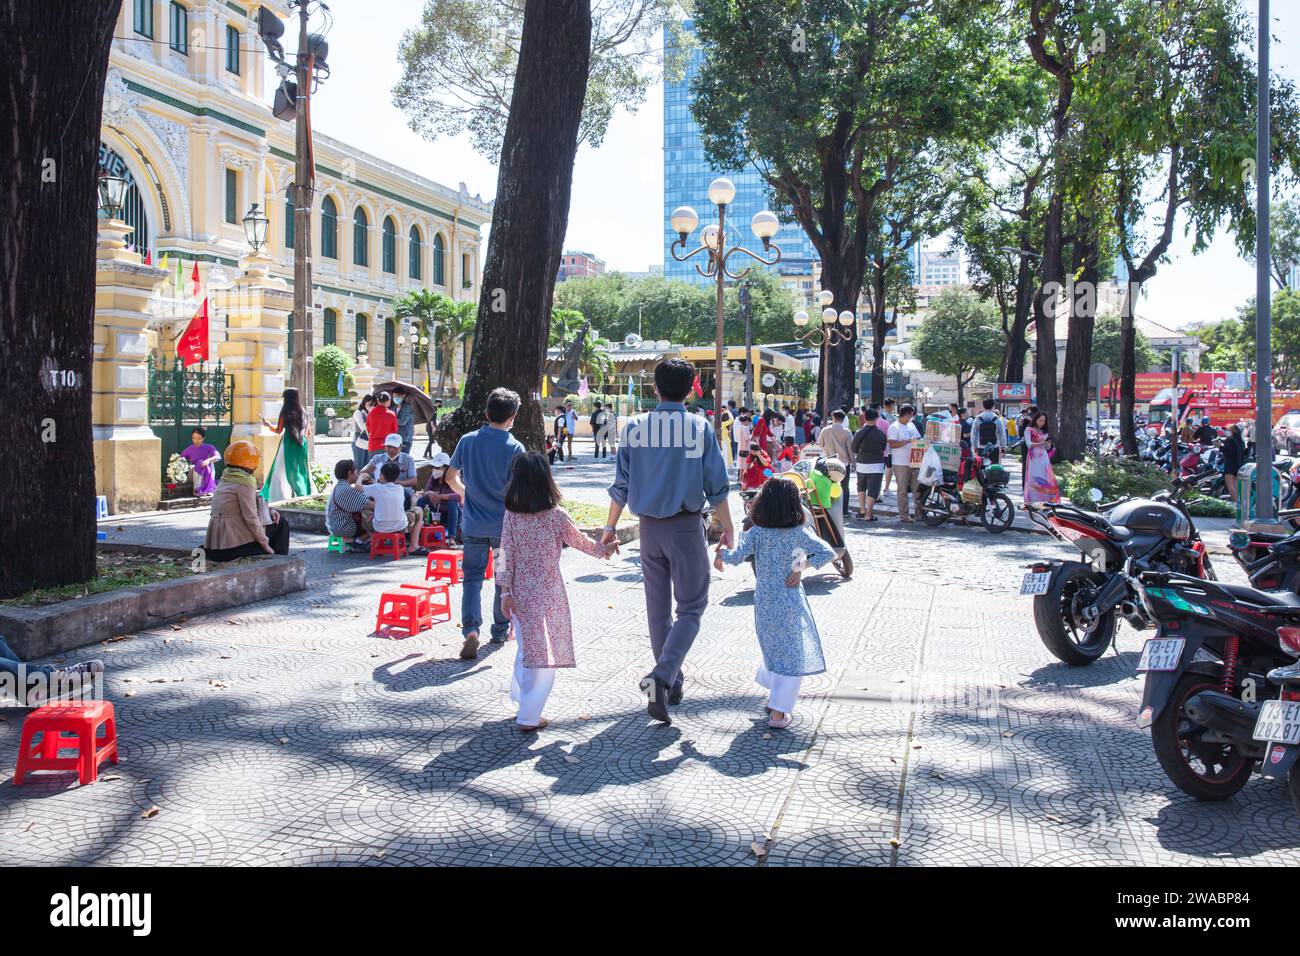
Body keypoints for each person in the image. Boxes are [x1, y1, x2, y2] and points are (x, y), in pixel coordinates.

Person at [604, 358, 733, 724]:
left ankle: (671, 681)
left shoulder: (634, 428)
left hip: (648, 530)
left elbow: (621, 486)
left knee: (657, 612)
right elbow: (717, 486)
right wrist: (729, 528)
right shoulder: (698, 427)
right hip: (685, 527)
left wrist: (610, 528)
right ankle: (661, 677)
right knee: (690, 609)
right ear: (692, 386)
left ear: (655, 388)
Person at [499, 452, 613, 731]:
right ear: (546, 481)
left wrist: (504, 592)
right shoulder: (556, 517)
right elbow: (583, 543)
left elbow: (504, 555)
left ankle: (522, 699)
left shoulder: (512, 516)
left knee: (528, 649)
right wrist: (605, 549)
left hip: (519, 593)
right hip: (548, 594)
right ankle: (529, 714)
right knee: (542, 657)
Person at [713, 478, 834, 729]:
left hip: (764, 601)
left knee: (773, 646)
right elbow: (828, 552)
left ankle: (774, 697)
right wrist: (801, 567)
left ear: (763, 504)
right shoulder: (799, 533)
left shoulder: (756, 532)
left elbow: (735, 558)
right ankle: (779, 713)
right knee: (792, 652)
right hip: (790, 600)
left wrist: (720, 553)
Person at [447, 388, 526, 660]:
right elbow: (519, 491)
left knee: (471, 577)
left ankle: (470, 629)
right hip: (503, 531)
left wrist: (466, 493)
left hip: (472, 528)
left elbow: (450, 477)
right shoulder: (515, 448)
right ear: (513, 417)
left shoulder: (467, 441)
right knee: (502, 578)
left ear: (486, 413)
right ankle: (500, 628)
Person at [204, 440, 290, 560]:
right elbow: (250, 516)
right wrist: (265, 544)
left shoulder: (227, 477)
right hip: (233, 544)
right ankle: (280, 563)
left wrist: (269, 512)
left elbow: (242, 505)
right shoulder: (244, 482)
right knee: (281, 525)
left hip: (217, 541)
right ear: (252, 462)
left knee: (276, 524)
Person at [358, 459, 424, 554]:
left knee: (365, 512)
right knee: (419, 510)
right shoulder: (400, 488)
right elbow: (385, 489)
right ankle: (414, 546)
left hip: (379, 528)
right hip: (401, 528)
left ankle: (376, 542)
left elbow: (357, 487)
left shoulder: (376, 488)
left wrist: (361, 477)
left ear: (381, 476)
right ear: (397, 478)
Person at [259, 387, 313, 501]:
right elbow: (308, 432)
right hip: (301, 444)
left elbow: (278, 430)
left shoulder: (285, 412)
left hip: (288, 443)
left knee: (279, 470)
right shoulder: (303, 412)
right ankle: (302, 494)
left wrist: (268, 424)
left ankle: (278, 497)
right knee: (301, 470)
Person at [361, 432, 419, 508]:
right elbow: (362, 473)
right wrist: (368, 472)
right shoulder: (377, 458)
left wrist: (398, 483)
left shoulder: (408, 459)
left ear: (401, 447)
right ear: (385, 447)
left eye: (394, 447)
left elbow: (414, 480)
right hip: (380, 489)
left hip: (402, 491)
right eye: (389, 446)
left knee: (404, 494)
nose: (391, 449)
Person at [415, 451, 462, 545]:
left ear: (446, 467)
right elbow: (425, 492)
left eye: (437, 467)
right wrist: (430, 493)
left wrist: (440, 496)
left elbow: (459, 495)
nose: (435, 470)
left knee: (452, 503)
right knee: (421, 500)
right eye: (434, 467)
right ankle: (417, 534)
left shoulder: (454, 478)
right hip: (436, 511)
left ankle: (452, 537)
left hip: (452, 513)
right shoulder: (433, 477)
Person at [326, 459, 372, 552]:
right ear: (349, 473)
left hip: (336, 525)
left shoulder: (340, 486)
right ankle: (357, 541)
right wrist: (361, 479)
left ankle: (348, 541)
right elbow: (371, 505)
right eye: (356, 472)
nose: (358, 474)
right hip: (345, 528)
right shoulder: (347, 490)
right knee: (375, 521)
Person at [851, 407, 888, 521]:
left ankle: (862, 509)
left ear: (865, 418)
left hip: (862, 463)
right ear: (876, 418)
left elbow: (853, 448)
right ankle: (868, 513)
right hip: (876, 464)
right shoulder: (880, 434)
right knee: (873, 489)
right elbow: (883, 447)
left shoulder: (859, 432)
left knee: (861, 486)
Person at [887, 404, 921, 522]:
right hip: (900, 463)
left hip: (914, 462)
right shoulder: (894, 427)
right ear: (905, 414)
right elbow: (892, 444)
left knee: (918, 489)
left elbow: (918, 439)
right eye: (910, 416)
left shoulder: (911, 425)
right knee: (902, 489)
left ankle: (920, 514)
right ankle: (904, 515)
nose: (910, 418)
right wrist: (906, 441)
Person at [819, 409, 854, 517]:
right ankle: (844, 510)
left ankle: (828, 507)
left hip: (828, 462)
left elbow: (820, 444)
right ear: (843, 419)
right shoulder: (847, 431)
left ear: (833, 417)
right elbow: (850, 449)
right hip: (843, 463)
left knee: (828, 485)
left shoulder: (825, 430)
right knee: (844, 486)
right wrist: (853, 462)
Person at [1023, 412, 1061, 504]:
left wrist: (1048, 444)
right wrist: (1042, 443)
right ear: (1035, 420)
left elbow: (1047, 448)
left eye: (1044, 421)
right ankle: (1033, 500)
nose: (1042, 423)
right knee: (1034, 478)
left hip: (1043, 457)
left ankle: (1046, 499)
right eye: (1040, 420)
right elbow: (1029, 445)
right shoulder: (1029, 430)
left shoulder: (1044, 433)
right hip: (1033, 459)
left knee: (1045, 478)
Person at [180, 427, 221, 496]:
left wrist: (208, 460)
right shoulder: (188, 449)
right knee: (199, 463)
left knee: (206, 463)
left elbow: (218, 457)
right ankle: (198, 489)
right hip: (194, 474)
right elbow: (180, 460)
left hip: (208, 471)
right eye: (194, 438)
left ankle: (206, 488)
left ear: (203, 438)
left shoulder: (209, 447)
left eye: (199, 438)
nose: (196, 441)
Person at [970, 399, 1007, 463]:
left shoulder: (977, 419)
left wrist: (974, 447)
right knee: (994, 468)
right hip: (994, 447)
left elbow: (973, 435)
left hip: (981, 447)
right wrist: (1003, 447)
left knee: (981, 468)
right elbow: (1002, 434)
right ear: (993, 406)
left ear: (984, 406)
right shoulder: (997, 419)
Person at [365, 391, 399, 457]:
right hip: (387, 446)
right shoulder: (391, 414)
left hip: (373, 445)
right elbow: (395, 431)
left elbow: (368, 428)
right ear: (389, 401)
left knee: (374, 466)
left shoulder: (370, 413)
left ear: (378, 401)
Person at [1222, 423, 1247, 504]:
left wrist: (1220, 446)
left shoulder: (1231, 440)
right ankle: (1240, 502)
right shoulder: (1239, 440)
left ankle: (1236, 502)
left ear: (1232, 431)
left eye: (1228, 430)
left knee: (1230, 484)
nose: (1226, 432)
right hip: (1238, 464)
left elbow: (1229, 451)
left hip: (1230, 464)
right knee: (1235, 483)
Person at [352, 394, 375, 469]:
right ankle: (356, 480)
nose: (371, 407)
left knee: (367, 466)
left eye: (373, 405)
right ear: (364, 403)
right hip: (358, 441)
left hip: (368, 442)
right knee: (359, 466)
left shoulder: (371, 413)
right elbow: (363, 427)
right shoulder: (358, 412)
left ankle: (365, 480)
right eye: (369, 404)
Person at [392, 385, 416, 454]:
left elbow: (403, 422)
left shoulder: (408, 408)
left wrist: (391, 420)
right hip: (395, 439)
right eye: (394, 396)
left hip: (405, 439)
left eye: (398, 396)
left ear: (403, 396)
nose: (396, 398)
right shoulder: (393, 408)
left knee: (403, 460)